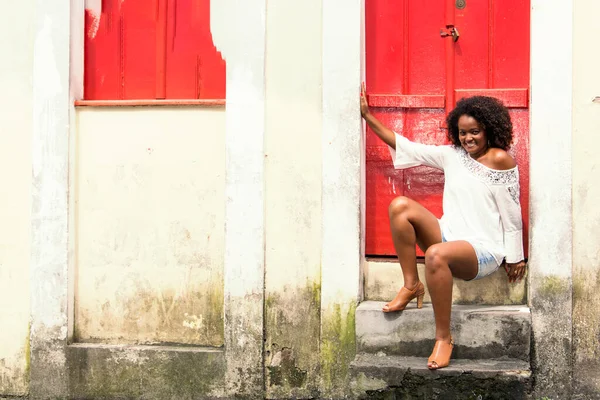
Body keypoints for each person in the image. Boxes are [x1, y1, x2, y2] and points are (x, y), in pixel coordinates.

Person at [359, 83, 527, 370]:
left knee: (436, 253)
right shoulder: (452, 155)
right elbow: (407, 147)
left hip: (483, 249)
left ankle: (443, 338)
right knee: (399, 206)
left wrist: (515, 255)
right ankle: (411, 285)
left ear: (488, 128)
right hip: (449, 235)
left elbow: (512, 212)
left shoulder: (499, 160)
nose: (468, 138)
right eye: (463, 132)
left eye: (475, 131)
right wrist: (368, 116)